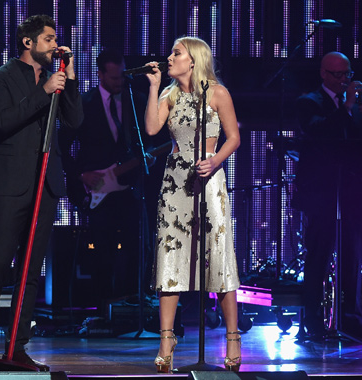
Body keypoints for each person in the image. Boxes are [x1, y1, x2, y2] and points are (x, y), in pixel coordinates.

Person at [0, 14, 82, 371]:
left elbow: (76, 122)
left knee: (31, 271)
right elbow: (4, 121)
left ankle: (17, 346)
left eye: (55, 39)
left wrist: (71, 82)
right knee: (0, 264)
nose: (55, 45)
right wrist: (45, 90)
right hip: (11, 184)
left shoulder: (58, 79)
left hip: (45, 184)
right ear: (28, 43)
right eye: (49, 39)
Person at [144, 37, 241, 372]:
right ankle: (166, 338)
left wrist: (214, 162)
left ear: (194, 60)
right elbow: (152, 128)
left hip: (209, 180)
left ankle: (232, 337)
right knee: (170, 256)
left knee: (217, 254)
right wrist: (155, 87)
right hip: (175, 184)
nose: (169, 57)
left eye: (176, 53)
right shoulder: (170, 96)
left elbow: (234, 137)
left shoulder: (217, 93)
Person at [294, 52, 362, 340]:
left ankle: (350, 319)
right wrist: (346, 107)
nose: (345, 80)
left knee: (352, 258)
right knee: (319, 256)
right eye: (338, 75)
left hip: (355, 193)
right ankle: (313, 321)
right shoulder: (308, 102)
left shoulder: (359, 106)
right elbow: (318, 132)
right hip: (323, 192)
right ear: (324, 74)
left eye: (348, 74)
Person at [59, 49, 150, 308]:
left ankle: (133, 302)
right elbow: (61, 145)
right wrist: (80, 174)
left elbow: (150, 140)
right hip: (98, 188)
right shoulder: (84, 104)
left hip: (131, 186)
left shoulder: (137, 100)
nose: (119, 83)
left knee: (137, 246)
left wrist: (148, 157)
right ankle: (102, 306)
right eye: (113, 78)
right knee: (102, 249)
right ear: (100, 74)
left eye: (122, 77)